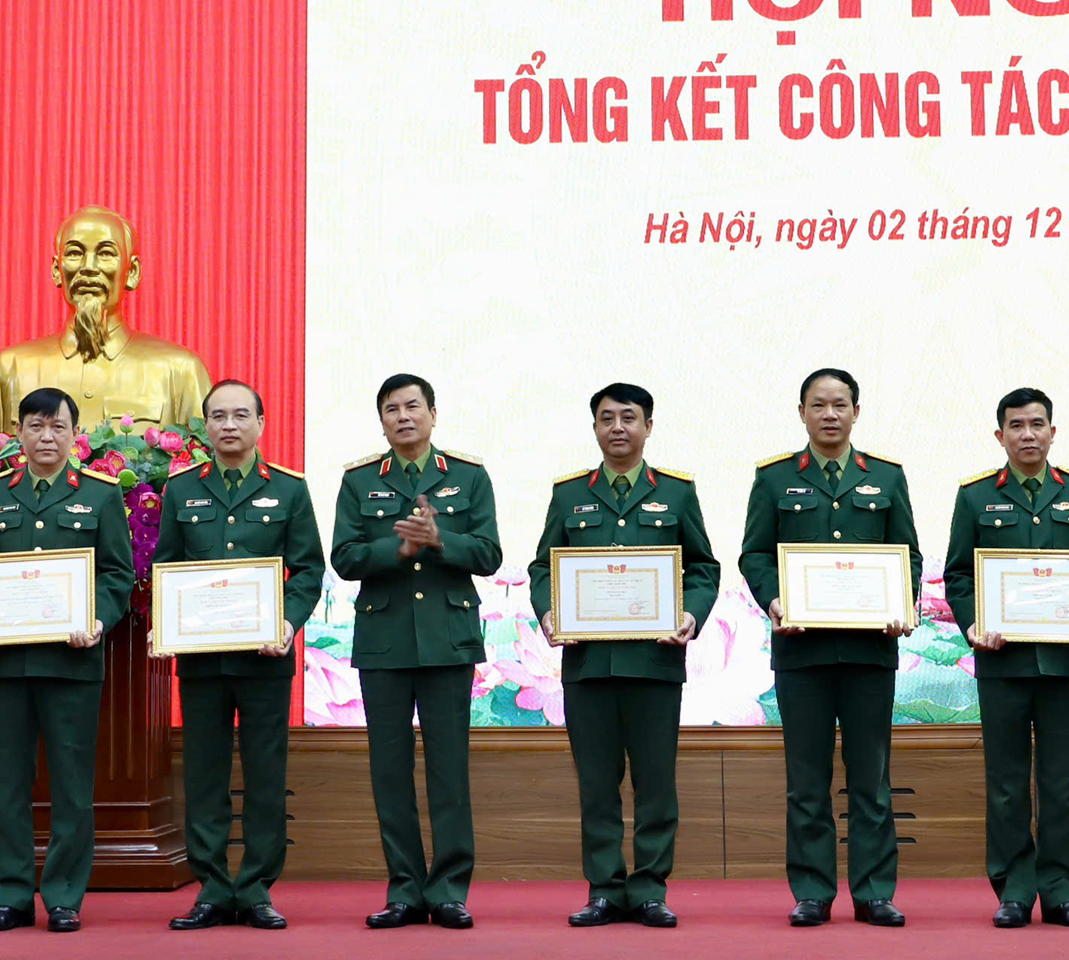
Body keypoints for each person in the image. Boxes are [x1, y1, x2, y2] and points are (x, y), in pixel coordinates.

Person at [527, 383, 721, 928]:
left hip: (654, 664)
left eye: (628, 417)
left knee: (655, 784)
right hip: (588, 665)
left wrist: (691, 615)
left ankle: (651, 889)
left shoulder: (677, 493)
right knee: (597, 784)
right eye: (607, 418)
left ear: (648, 427)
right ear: (594, 428)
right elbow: (543, 567)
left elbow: (703, 568)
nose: (617, 427)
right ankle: (605, 890)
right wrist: (548, 611)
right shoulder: (569, 494)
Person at [739, 368, 921, 927]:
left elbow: (908, 554)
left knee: (871, 779)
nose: (830, 415)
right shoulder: (773, 479)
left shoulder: (886, 477)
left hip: (870, 653)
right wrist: (774, 600)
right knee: (807, 781)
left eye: (840, 404)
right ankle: (812, 891)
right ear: (802, 413)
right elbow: (755, 554)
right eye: (818, 405)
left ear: (856, 413)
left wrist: (904, 601)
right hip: (802, 653)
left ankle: (874, 892)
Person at [0, 387, 135, 933]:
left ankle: (63, 896)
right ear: (18, 433)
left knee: (72, 787)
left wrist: (98, 619)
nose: (47, 437)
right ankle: (9, 897)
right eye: (35, 426)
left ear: (75, 435)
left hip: (72, 663)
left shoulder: (101, 495)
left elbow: (117, 573)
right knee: (8, 785)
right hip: (7, 665)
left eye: (58, 427)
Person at [151, 380, 323, 931]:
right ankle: (211, 889)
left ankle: (255, 889)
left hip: (264, 657)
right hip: (202, 660)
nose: (229, 425)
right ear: (205, 426)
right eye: (219, 416)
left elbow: (308, 570)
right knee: (204, 775)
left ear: (261, 424)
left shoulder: (289, 490)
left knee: (265, 774)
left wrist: (287, 623)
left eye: (240, 415)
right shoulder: (182, 489)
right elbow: (166, 567)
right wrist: (165, 623)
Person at [331, 374, 500, 929]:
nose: (403, 416)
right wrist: (396, 550)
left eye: (412, 406)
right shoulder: (359, 480)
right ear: (381, 420)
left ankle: (449, 890)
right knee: (390, 771)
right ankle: (404, 889)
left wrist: (439, 541)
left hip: (448, 641)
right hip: (384, 641)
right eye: (391, 409)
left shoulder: (468, 476)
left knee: (449, 770)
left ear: (432, 413)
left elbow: (489, 554)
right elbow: (344, 557)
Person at [941, 388, 1069, 929]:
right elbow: (959, 574)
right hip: (1003, 662)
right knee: (1007, 783)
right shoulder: (975, 497)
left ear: (1052, 432)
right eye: (1016, 426)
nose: (1028, 434)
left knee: (1063, 784)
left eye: (1037, 424)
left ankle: (1062, 892)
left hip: (1064, 664)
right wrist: (973, 624)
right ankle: (1014, 890)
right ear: (1001, 436)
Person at [0, 206, 212, 431]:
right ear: (56, 270)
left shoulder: (181, 371)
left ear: (132, 272)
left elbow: (205, 458)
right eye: (74, 253)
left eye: (106, 253)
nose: (88, 267)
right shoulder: (9, 368)